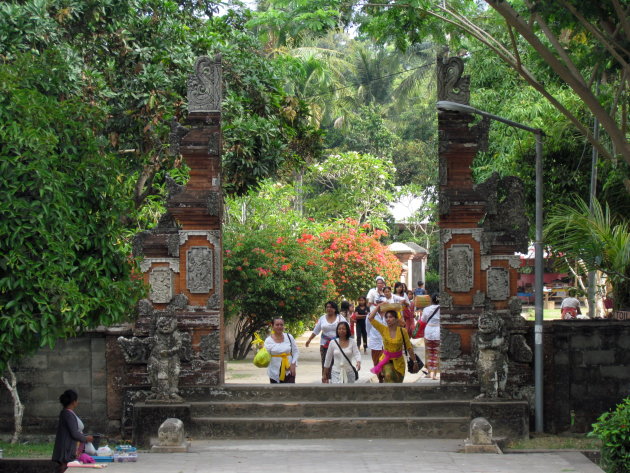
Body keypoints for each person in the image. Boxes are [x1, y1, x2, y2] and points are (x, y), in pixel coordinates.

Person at [367, 308, 419, 383]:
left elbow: (409, 348)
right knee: (388, 375)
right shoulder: (383, 329)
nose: (388, 319)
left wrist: (415, 361)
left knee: (398, 384)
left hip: (399, 363)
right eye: (386, 317)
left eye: (391, 317)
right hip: (386, 361)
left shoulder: (402, 331)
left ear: (396, 319)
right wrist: (378, 306)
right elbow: (370, 318)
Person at [52, 389, 94, 473]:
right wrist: (86, 438)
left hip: (67, 446)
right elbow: (74, 433)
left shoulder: (66, 413)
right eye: (77, 400)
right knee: (64, 466)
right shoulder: (68, 414)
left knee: (64, 466)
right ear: (73, 402)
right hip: (66, 448)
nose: (77, 402)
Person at [305, 301, 348, 381]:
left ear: (335, 309)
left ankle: (337, 380)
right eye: (327, 307)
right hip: (325, 345)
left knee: (337, 363)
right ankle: (325, 380)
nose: (329, 309)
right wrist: (309, 340)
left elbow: (347, 329)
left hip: (338, 344)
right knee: (325, 363)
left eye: (331, 307)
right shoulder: (322, 318)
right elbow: (316, 330)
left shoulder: (340, 318)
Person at [264, 317, 299, 383]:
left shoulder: (289, 337)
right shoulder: (268, 340)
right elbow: (266, 355)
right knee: (276, 392)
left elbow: (295, 351)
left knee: (290, 391)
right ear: (272, 326)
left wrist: (293, 364)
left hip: (289, 370)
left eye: (281, 325)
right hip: (274, 371)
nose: (279, 327)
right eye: (277, 325)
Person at [421, 294, 441, 379]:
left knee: (429, 352)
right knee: (436, 353)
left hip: (428, 331)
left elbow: (423, 320)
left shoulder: (426, 309)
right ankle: (435, 374)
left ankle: (429, 373)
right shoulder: (443, 309)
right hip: (438, 331)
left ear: (431, 300)